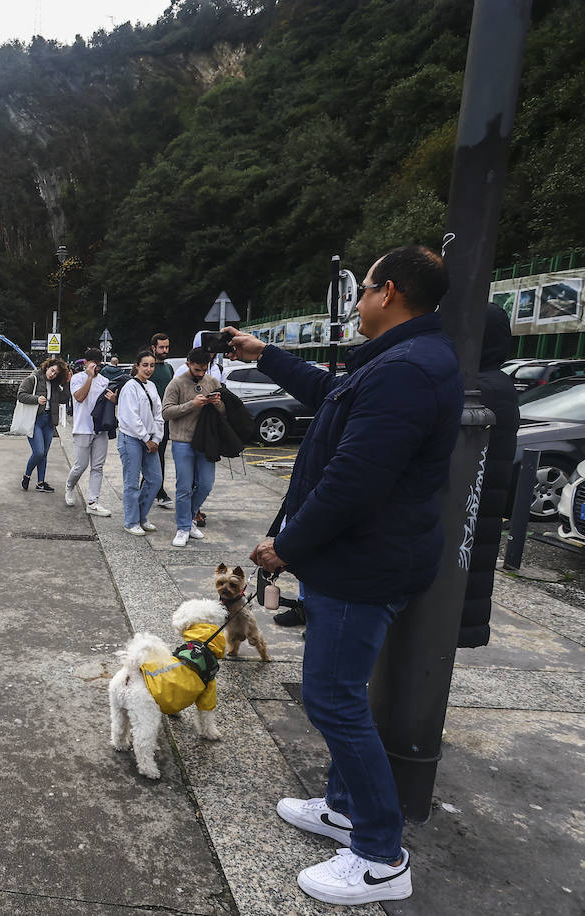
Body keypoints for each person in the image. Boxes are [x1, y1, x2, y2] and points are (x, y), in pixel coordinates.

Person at [226, 244, 461, 906]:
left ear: (388, 292)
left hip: (364, 567)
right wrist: (263, 354)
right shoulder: (400, 359)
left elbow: (355, 481)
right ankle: (342, 807)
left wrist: (286, 547)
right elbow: (331, 394)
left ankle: (381, 854)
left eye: (361, 291)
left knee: (333, 699)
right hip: (366, 558)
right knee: (338, 694)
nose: (355, 304)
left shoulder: (408, 370)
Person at [460, 303, 520, 647]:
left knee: (439, 622)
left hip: (465, 529)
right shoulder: (495, 383)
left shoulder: (480, 389)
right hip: (469, 528)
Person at [160, 348, 223, 546]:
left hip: (206, 440)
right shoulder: (176, 383)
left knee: (206, 483)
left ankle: (189, 518)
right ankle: (183, 527)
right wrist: (193, 404)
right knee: (184, 486)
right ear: (188, 364)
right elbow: (166, 412)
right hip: (182, 440)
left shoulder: (212, 382)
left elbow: (224, 412)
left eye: (204, 370)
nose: (201, 374)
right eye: (197, 370)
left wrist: (218, 403)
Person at [64, 347, 117, 516]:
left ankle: (93, 502)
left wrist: (114, 401)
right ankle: (69, 486)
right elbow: (79, 397)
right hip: (82, 428)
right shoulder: (77, 378)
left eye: (98, 363)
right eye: (93, 363)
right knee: (81, 465)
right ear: (85, 363)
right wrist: (89, 377)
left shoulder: (104, 380)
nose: (96, 367)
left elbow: (108, 404)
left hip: (100, 429)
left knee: (98, 467)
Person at [116, 350, 164, 535]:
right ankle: (131, 521)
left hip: (150, 439)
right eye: (145, 365)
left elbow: (158, 415)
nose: (149, 369)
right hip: (131, 439)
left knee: (155, 479)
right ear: (137, 366)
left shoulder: (151, 386)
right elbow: (130, 417)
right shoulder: (130, 387)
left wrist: (156, 438)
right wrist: (146, 438)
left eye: (152, 365)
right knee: (132, 482)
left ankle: (142, 516)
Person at [17, 357, 69, 492]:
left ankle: (41, 483)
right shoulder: (33, 378)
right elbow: (21, 395)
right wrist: (36, 399)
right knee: (39, 452)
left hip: (49, 422)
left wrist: (67, 382)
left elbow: (64, 399)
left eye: (56, 373)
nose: (52, 374)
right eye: (52, 371)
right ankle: (27, 475)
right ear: (47, 367)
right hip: (35, 421)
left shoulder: (55, 384)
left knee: (44, 454)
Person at [149, 333, 174, 508]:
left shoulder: (169, 369)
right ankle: (151, 489)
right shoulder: (147, 369)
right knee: (146, 457)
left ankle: (159, 490)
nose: (165, 350)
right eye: (161, 347)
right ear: (153, 348)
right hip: (146, 421)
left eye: (167, 347)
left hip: (163, 420)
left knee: (160, 455)